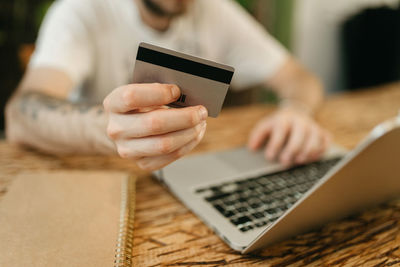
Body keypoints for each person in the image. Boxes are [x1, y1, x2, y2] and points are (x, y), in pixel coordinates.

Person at [5, 0, 331, 171]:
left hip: (192, 174)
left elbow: (301, 79)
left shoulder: (215, 11)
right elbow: (21, 114)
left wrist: (297, 111)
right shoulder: (82, 10)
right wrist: (106, 128)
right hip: (95, 183)